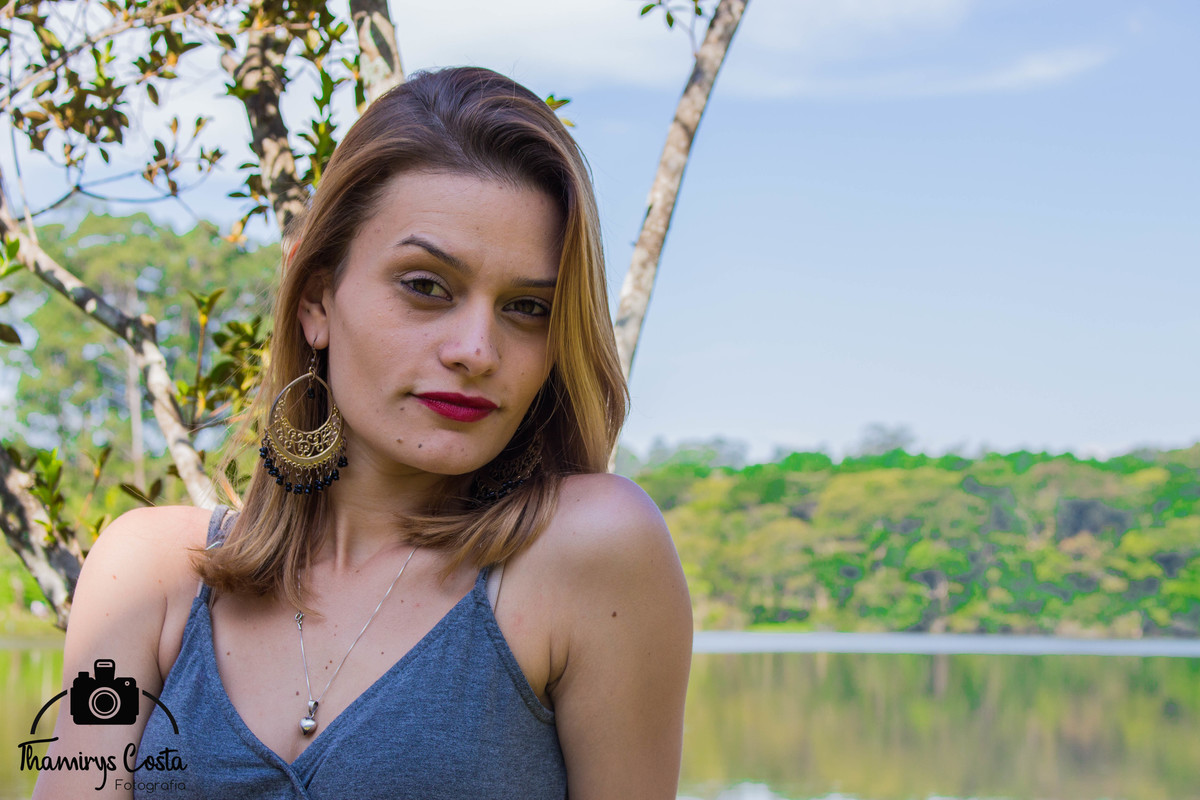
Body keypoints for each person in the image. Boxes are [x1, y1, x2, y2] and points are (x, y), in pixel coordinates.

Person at [34, 67, 692, 799]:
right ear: (317, 300)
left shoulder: (590, 551)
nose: (477, 350)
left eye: (527, 308)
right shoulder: (147, 577)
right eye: (426, 286)